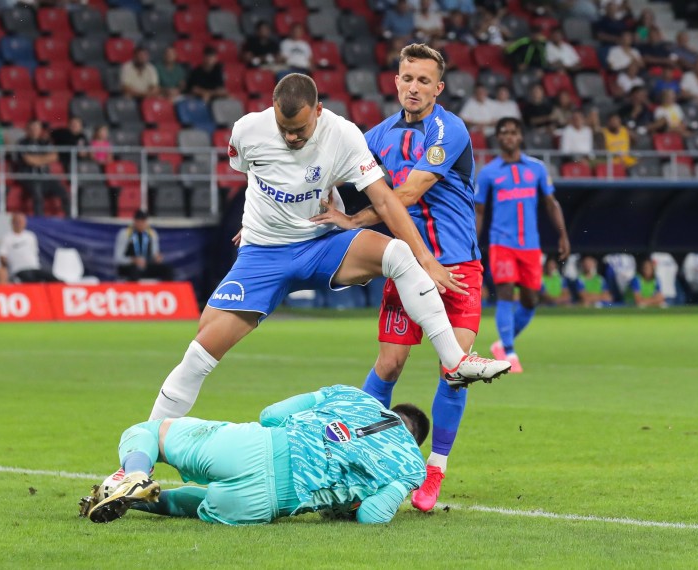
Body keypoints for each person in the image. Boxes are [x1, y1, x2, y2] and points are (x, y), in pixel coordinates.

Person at [148, 74, 509, 429]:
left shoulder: (344, 134)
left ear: (318, 111)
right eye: (283, 128)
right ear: (272, 110)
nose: (290, 137)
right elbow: (255, 176)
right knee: (199, 354)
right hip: (264, 253)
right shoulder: (246, 131)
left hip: (321, 245)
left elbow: (385, 199)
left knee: (398, 253)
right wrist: (260, 221)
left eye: (300, 130)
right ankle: (136, 462)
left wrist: (427, 260)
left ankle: (454, 361)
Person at [309, 45, 510, 512]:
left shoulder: (449, 129)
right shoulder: (375, 136)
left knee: (453, 370)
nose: (413, 87)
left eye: (423, 80)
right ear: (395, 82)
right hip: (405, 267)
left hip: (457, 268)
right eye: (406, 78)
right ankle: (353, 451)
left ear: (438, 88)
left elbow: (410, 191)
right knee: (390, 365)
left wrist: (353, 220)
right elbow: (328, 174)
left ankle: (433, 472)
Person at [81, 385, 429, 526]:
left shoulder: (355, 396)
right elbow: (371, 515)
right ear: (416, 441)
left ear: (388, 409)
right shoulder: (412, 465)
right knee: (202, 505)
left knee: (149, 432)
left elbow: (270, 414)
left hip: (256, 447)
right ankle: (137, 500)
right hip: (268, 505)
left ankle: (134, 476)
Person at [475, 117, 571, 373]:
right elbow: (480, 211)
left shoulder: (536, 168)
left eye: (513, 132)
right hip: (501, 242)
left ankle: (502, 343)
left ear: (520, 137)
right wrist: (473, 243)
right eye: (504, 132)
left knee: (530, 300)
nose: (509, 136)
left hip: (530, 245)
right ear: (498, 138)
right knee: (506, 293)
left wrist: (563, 235)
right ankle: (509, 351)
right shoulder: (488, 173)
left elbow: (551, 203)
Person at [15, 120, 70, 217]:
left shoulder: (45, 142)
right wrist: (44, 159)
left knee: (64, 193)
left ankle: (69, 219)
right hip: (29, 177)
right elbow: (29, 160)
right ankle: (40, 220)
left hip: (46, 176)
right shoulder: (21, 143)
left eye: (37, 128)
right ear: (27, 130)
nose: (34, 130)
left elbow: (54, 156)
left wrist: (37, 160)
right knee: (38, 195)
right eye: (32, 128)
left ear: (40, 130)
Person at [114, 209, 174, 281]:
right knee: (134, 271)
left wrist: (157, 258)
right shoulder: (125, 233)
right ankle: (134, 291)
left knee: (167, 270)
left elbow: (155, 253)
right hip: (129, 267)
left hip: (145, 266)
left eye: (143, 221)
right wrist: (133, 260)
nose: (141, 224)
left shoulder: (152, 234)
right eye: (139, 221)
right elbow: (118, 258)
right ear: (135, 221)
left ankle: (166, 291)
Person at [0, 212, 59, 283]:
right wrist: (8, 268)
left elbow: (34, 252)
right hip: (18, 269)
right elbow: (2, 256)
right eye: (17, 222)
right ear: (12, 223)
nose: (19, 224)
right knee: (29, 279)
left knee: (53, 278)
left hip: (34, 268)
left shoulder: (31, 236)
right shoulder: (7, 238)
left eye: (21, 222)